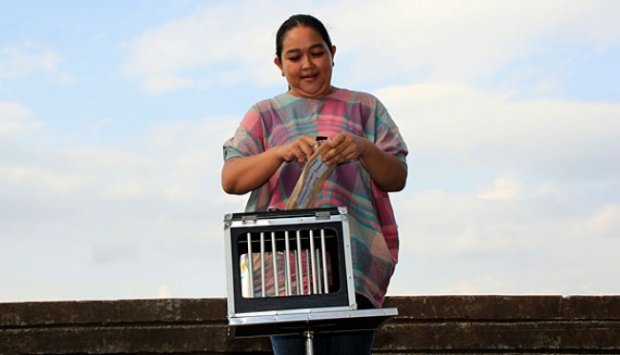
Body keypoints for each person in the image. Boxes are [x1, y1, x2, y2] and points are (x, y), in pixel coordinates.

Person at [221, 14, 408, 355]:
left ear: (332, 53)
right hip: (285, 272)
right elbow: (231, 178)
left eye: (317, 53)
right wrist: (280, 152)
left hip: (354, 266)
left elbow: (397, 176)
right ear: (279, 64)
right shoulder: (264, 114)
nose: (307, 65)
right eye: (294, 57)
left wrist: (363, 149)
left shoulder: (365, 107)